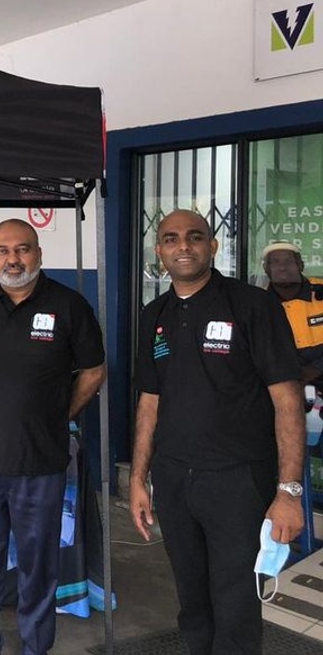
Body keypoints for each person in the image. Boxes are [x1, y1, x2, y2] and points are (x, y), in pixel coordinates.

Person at [129, 209, 305, 655]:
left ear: (213, 245)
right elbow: (149, 401)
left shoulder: (252, 306)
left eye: (194, 237)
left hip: (237, 479)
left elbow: (287, 401)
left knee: (236, 600)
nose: (183, 246)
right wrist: (138, 479)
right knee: (192, 599)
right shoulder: (154, 314)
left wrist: (289, 491)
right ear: (159, 251)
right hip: (174, 478)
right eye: (171, 239)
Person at [0, 218, 106, 655]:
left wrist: (59, 416)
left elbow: (94, 370)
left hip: (41, 461)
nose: (13, 259)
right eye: (2, 251)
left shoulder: (69, 305)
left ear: (39, 254)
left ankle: (35, 647)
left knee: (38, 566)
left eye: (22, 249)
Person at [261, 241, 323, 390]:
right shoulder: (258, 301)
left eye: (289, 261)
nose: (282, 267)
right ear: (266, 269)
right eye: (275, 262)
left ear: (301, 265)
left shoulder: (320, 291)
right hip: (283, 384)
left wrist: (316, 368)